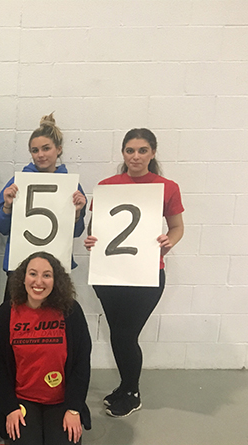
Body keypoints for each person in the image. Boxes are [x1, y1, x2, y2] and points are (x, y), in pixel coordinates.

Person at [85, 128, 184, 418]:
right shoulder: (107, 185)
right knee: (119, 334)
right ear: (123, 153)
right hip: (110, 276)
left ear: (153, 153)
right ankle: (126, 386)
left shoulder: (167, 187)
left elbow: (177, 227)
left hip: (147, 275)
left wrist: (170, 241)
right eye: (130, 150)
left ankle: (132, 391)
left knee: (126, 335)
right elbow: (95, 229)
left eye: (142, 150)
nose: (136, 156)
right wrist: (90, 240)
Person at [0, 252, 91, 445]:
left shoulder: (70, 311)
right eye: (32, 274)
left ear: (56, 281)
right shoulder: (7, 312)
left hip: (60, 400)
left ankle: (52, 425)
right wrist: (10, 408)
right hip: (23, 398)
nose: (38, 282)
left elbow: (82, 364)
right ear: (22, 278)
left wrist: (74, 409)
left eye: (47, 275)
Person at [0, 113, 87, 276]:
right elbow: (1, 228)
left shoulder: (71, 185)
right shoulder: (17, 183)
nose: (40, 155)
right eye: (35, 150)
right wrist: (7, 207)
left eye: (46, 148)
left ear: (58, 149)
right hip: (20, 264)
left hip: (56, 265)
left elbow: (76, 233)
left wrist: (78, 212)